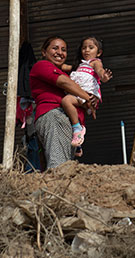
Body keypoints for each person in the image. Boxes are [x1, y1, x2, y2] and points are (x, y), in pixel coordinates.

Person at [29, 36, 100, 169]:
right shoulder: (42, 65)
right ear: (44, 52)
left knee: (65, 163)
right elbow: (64, 83)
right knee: (59, 165)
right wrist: (87, 97)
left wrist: (90, 100)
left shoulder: (69, 74)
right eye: (55, 48)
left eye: (64, 50)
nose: (60, 52)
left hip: (67, 122)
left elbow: (75, 92)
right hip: (53, 115)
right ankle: (55, 188)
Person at [61, 37, 112, 146]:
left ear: (99, 53)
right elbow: (64, 67)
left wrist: (104, 76)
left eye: (91, 47)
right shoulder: (80, 65)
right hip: (79, 93)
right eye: (84, 48)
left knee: (66, 101)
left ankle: (77, 128)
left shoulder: (95, 62)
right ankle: (78, 143)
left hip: (87, 94)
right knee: (69, 111)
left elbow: (100, 71)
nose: (87, 50)